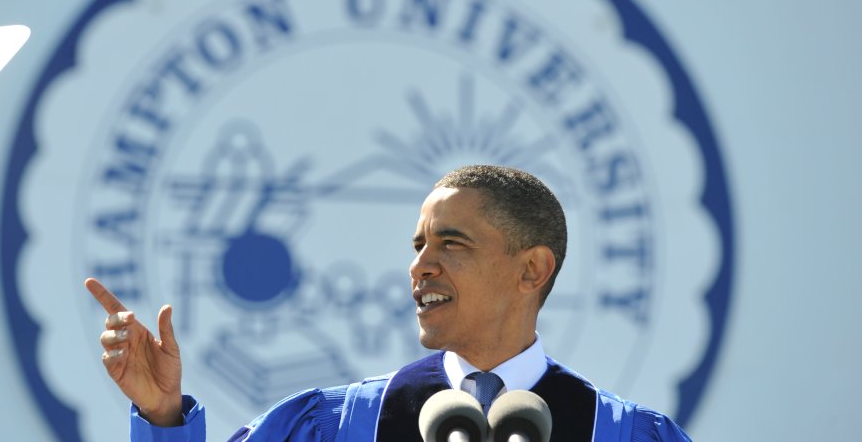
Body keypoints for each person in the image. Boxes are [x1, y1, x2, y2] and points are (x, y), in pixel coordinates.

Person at [86, 165, 692, 441]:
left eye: (451, 243)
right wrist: (165, 420)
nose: (420, 265)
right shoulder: (338, 425)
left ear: (531, 269)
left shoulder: (620, 433)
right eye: (418, 244)